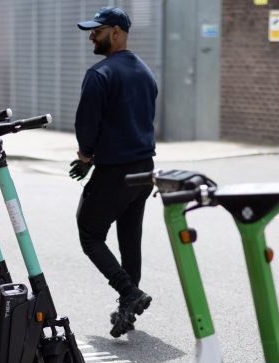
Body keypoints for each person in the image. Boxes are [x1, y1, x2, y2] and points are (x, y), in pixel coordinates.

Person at [72, 6, 158, 338]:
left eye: (97, 30)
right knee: (129, 238)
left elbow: (87, 124)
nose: (92, 36)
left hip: (114, 171)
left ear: (117, 33)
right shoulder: (146, 72)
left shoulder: (100, 74)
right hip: (144, 170)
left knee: (90, 233)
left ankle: (129, 292)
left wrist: (85, 156)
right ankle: (129, 310)